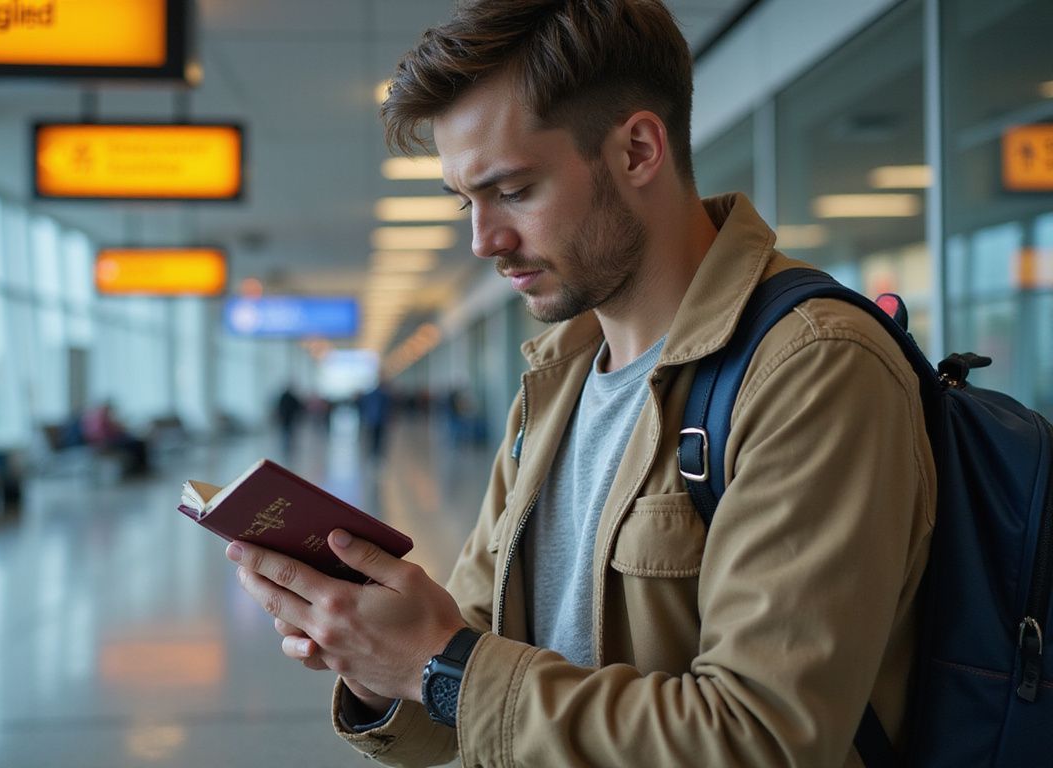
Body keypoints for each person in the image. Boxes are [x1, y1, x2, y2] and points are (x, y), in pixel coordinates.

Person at [226, 1, 936, 765]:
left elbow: (760, 741)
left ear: (637, 150)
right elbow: (468, 673)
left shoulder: (812, 368)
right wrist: (375, 660)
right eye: (467, 201)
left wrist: (436, 664)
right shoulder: (555, 384)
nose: (483, 241)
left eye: (513, 190)